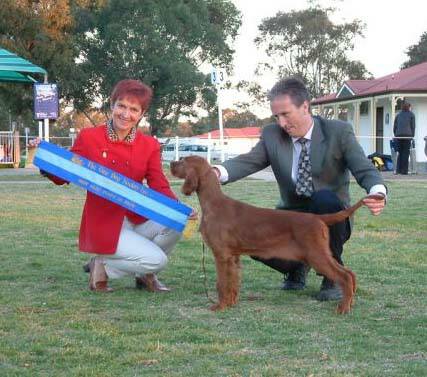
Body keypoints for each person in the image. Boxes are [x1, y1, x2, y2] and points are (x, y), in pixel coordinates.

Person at [213, 77, 386, 301]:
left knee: (325, 199)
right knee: (248, 231)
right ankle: (295, 268)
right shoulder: (272, 135)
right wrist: (216, 172)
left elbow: (363, 168)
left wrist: (377, 191)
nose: (281, 123)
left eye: (286, 114)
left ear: (305, 106)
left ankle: (331, 276)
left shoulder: (338, 132)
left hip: (329, 216)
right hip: (290, 218)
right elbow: (248, 161)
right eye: (276, 116)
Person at [41, 79, 191, 292]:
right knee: (158, 260)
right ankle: (105, 267)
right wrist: (47, 162)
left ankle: (139, 273)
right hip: (104, 222)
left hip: (137, 218)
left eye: (133, 109)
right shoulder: (89, 137)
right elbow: (64, 176)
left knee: (178, 222)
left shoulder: (149, 145)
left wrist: (179, 209)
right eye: (121, 106)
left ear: (141, 114)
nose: (125, 114)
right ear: (112, 105)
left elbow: (159, 185)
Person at [393, 102, 415, 175]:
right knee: (406, 153)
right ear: (409, 107)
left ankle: (398, 170)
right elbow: (413, 126)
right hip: (407, 136)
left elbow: (395, 127)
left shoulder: (398, 115)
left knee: (400, 152)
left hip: (398, 136)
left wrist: (396, 135)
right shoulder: (411, 115)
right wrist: (412, 136)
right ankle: (404, 171)